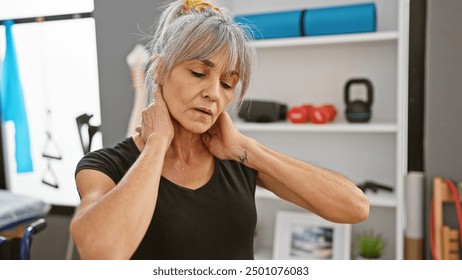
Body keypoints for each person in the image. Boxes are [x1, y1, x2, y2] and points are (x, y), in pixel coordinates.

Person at [70, 0, 369, 260]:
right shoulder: (106, 166)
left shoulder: (238, 159)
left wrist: (246, 149)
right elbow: (102, 251)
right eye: (199, 73)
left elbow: (355, 207)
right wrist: (157, 144)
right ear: (159, 70)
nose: (214, 94)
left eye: (227, 84)